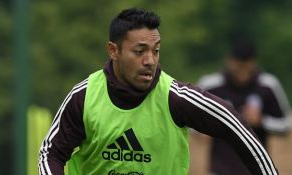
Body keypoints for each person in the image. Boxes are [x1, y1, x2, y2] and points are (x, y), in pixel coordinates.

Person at [38, 8, 279, 175]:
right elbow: (51, 152)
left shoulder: (175, 98)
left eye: (156, 50)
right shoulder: (85, 96)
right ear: (113, 50)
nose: (150, 60)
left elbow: (234, 124)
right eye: (140, 51)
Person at [197, 38, 290, 175]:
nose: (242, 73)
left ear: (253, 63)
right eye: (238, 66)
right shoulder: (211, 85)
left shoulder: (268, 85)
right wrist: (213, 123)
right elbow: (190, 123)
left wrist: (261, 121)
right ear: (229, 61)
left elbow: (285, 125)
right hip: (221, 169)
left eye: (246, 67)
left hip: (256, 169)